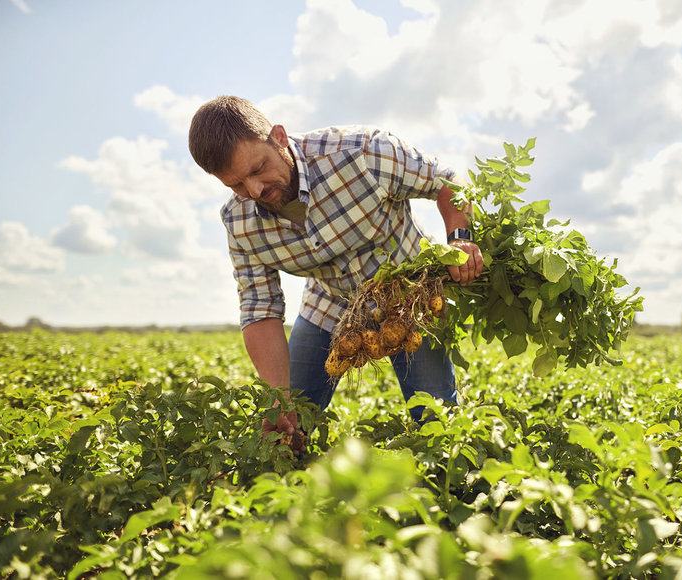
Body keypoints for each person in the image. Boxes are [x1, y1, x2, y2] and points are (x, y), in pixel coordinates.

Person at [188, 96, 483, 455]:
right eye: (236, 185)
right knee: (284, 425)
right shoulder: (239, 221)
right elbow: (259, 307)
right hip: (330, 304)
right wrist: (277, 396)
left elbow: (448, 183)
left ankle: (448, 483)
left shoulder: (362, 152)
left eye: (258, 168)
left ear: (278, 137)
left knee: (437, 423)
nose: (255, 191)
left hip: (412, 300)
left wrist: (461, 240)